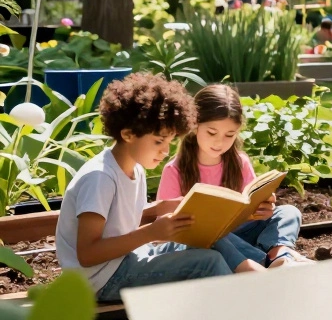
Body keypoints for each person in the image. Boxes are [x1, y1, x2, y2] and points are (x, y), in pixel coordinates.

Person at [55, 74, 235, 303]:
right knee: (207, 262)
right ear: (128, 134)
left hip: (124, 261)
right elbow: (88, 254)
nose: (166, 151)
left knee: (207, 242)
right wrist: (151, 232)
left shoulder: (133, 169)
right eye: (159, 141)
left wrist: (162, 207)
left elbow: (120, 218)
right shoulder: (100, 178)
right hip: (99, 279)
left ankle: (263, 272)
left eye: (169, 142)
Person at [156, 85, 311, 267]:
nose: (219, 142)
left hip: (240, 233)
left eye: (229, 135)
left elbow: (247, 208)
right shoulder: (175, 170)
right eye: (212, 132)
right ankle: (265, 261)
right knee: (210, 233)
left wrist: (261, 209)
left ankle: (279, 253)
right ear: (194, 126)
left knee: (289, 212)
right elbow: (165, 231)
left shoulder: (240, 162)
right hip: (207, 241)